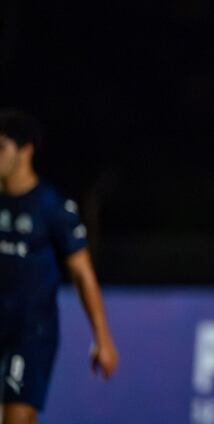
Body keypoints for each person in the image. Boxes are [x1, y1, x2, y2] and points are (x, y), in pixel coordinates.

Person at [0, 110, 119, 424]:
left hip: (30, 331)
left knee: (16, 415)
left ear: (26, 151)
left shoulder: (51, 208)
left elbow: (82, 273)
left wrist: (102, 338)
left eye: (1, 147)